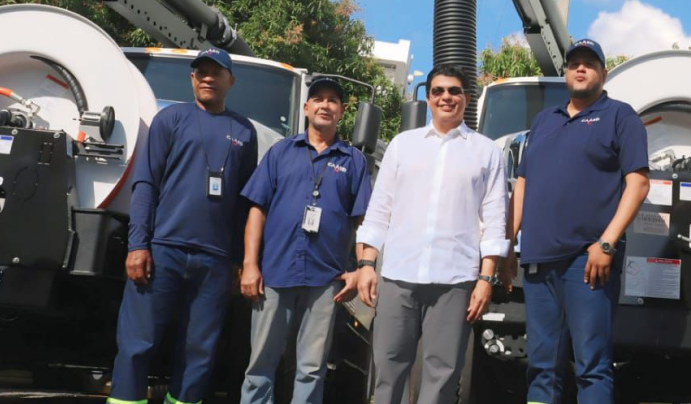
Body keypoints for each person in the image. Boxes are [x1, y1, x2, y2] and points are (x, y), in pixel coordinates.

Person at [108, 47, 259, 404]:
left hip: (215, 261)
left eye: (216, 72)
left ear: (231, 80)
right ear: (192, 78)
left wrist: (239, 260)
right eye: (201, 72)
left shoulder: (244, 131)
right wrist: (138, 244)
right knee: (138, 343)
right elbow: (146, 184)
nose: (208, 78)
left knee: (199, 351)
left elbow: (244, 203)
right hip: (163, 251)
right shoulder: (170, 119)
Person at [504, 38, 650, 404]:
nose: (580, 68)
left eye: (589, 63)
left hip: (587, 262)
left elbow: (638, 183)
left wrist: (607, 243)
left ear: (603, 73)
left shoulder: (621, 116)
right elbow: (522, 186)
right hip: (538, 261)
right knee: (541, 367)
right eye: (574, 64)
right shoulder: (544, 121)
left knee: (591, 366)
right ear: (566, 72)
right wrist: (506, 245)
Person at [355, 64, 509, 404]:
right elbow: (378, 211)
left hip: (454, 280)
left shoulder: (486, 152)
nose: (446, 97)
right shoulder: (402, 145)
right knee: (388, 372)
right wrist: (366, 264)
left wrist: (486, 279)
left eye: (454, 91)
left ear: (466, 98)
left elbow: (495, 221)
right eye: (438, 91)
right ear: (428, 98)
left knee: (442, 377)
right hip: (398, 276)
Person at [238, 76, 371, 404]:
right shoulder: (281, 152)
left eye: (333, 100)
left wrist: (361, 268)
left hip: (326, 280)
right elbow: (257, 210)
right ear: (307, 107)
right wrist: (250, 264)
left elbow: (364, 221)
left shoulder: (353, 161)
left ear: (341, 111)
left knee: (311, 368)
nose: (325, 105)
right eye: (319, 99)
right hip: (274, 273)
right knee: (260, 365)